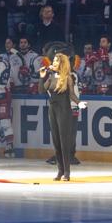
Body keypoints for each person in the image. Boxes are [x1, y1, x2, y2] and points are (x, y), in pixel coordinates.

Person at [39, 53, 81, 181]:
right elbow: (41, 91)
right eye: (54, 60)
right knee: (56, 141)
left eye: (57, 60)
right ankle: (60, 170)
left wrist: (80, 103)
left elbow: (72, 95)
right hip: (52, 110)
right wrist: (42, 77)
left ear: (62, 63)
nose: (54, 62)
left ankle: (67, 172)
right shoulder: (51, 77)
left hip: (64, 111)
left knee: (64, 142)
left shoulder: (68, 77)